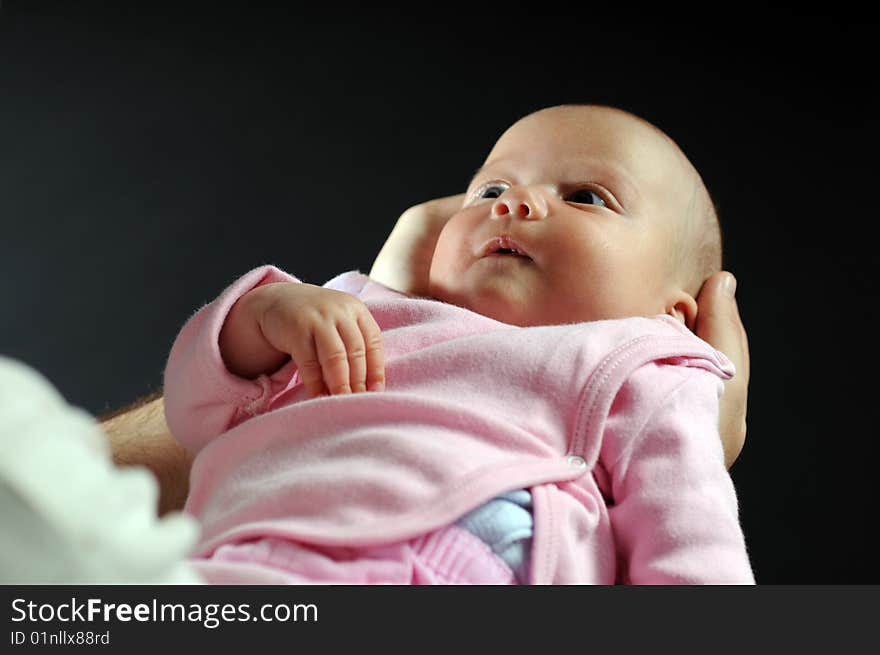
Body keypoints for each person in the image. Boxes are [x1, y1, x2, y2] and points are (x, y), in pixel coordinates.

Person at [161, 104, 754, 584]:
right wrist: (263, 313)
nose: (514, 203)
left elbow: (691, 536)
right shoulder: (363, 306)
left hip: (457, 558)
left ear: (672, 313)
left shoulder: (640, 364)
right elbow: (194, 414)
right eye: (490, 187)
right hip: (238, 560)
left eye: (587, 197)